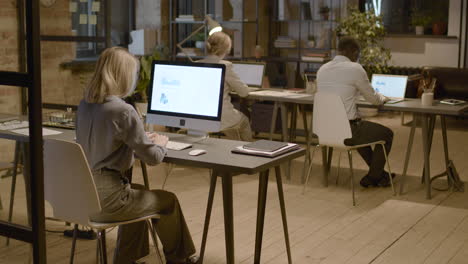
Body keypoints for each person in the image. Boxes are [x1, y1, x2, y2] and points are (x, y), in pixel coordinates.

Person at [76, 47, 198, 264]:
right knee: (167, 201)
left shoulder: (85, 105)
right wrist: (160, 143)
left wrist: (136, 137)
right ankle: (180, 260)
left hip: (83, 195)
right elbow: (153, 159)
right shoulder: (123, 111)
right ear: (123, 76)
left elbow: (107, 141)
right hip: (108, 200)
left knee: (139, 192)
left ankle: (127, 259)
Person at [316, 36, 394, 188]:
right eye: (357, 54)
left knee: (362, 133)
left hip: (324, 131)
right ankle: (373, 177)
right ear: (353, 51)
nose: (357, 58)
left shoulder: (322, 69)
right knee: (387, 134)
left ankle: (380, 175)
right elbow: (373, 99)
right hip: (347, 132)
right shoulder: (355, 68)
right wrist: (383, 98)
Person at [197, 31, 253, 141]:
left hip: (201, 115)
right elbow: (244, 92)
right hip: (220, 116)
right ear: (227, 49)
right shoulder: (225, 66)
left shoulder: (196, 63)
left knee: (231, 125)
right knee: (244, 121)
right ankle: (247, 151)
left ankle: (234, 149)